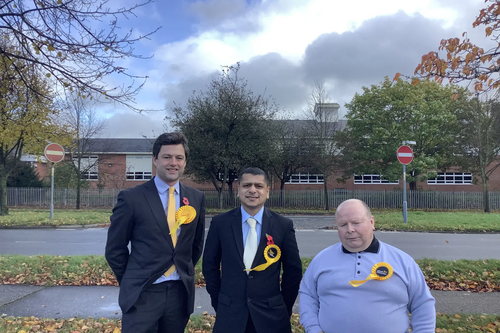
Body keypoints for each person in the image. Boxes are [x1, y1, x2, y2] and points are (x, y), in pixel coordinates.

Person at [105, 132, 206, 333]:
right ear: (155, 160)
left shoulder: (196, 198)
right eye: (167, 157)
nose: (173, 163)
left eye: (179, 158)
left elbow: (195, 245)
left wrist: (182, 269)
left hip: (179, 293)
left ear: (185, 162)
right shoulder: (132, 198)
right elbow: (115, 249)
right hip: (143, 293)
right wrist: (131, 281)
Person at [299, 199, 435, 333]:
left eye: (356, 223)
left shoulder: (403, 261)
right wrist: (313, 328)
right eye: (343, 225)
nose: (350, 230)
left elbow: (422, 304)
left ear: (372, 222)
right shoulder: (321, 260)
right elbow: (308, 295)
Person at [203, 167, 302, 333]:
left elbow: (293, 271)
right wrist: (220, 301)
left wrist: (283, 306)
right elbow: (209, 266)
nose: (252, 190)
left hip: (272, 317)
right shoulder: (220, 223)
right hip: (230, 315)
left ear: (268, 191)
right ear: (238, 190)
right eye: (247, 185)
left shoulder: (283, 226)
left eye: (259, 186)